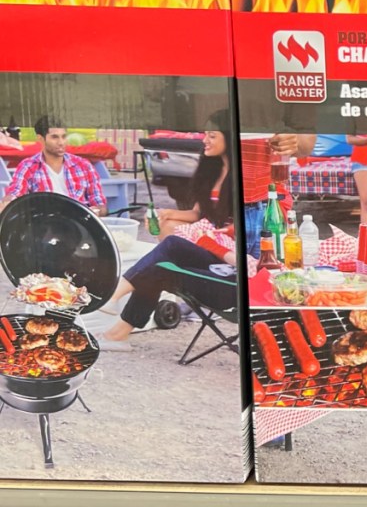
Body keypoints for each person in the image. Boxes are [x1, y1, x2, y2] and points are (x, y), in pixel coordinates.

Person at [97, 235, 236, 352]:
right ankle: (114, 306)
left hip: (235, 288)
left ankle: (116, 328)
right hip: (227, 267)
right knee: (172, 244)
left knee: (159, 269)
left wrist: (209, 243)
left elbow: (245, 263)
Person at [155, 109, 237, 239]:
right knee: (163, 224)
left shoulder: (244, 174)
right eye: (205, 134)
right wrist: (166, 213)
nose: (205, 140)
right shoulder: (210, 170)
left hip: (230, 238)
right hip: (208, 232)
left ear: (230, 138)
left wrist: (221, 232)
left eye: (212, 136)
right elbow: (198, 213)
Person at [3, 116, 107, 215]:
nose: (61, 142)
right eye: (54, 137)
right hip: (43, 223)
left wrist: (96, 210)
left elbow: (100, 203)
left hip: (79, 222)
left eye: (64, 137)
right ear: (40, 139)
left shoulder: (84, 165)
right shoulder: (28, 166)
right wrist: (7, 202)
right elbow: (15, 192)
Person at [241, 131, 316, 257]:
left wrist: (293, 141)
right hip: (222, 206)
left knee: (273, 268)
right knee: (219, 268)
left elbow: (306, 144)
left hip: (270, 208)